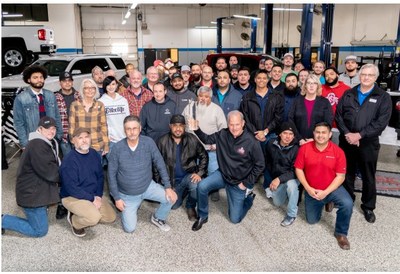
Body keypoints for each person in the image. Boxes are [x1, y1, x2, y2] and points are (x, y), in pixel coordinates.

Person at [336, 64, 392, 224]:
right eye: (363, 74)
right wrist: (347, 133)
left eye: (370, 75)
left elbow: (381, 122)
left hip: (368, 143)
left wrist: (360, 135)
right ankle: (347, 200)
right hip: (346, 141)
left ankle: (368, 207)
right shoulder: (348, 93)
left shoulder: (382, 97)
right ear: (360, 76)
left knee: (368, 176)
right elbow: (339, 115)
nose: (366, 77)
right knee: (347, 173)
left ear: (375, 77)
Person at [190, 110, 265, 230]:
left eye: (237, 124)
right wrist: (196, 128)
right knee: (202, 186)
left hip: (239, 182)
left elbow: (260, 165)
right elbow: (207, 139)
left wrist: (245, 183)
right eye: (231, 124)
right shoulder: (222, 134)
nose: (234, 128)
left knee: (235, 219)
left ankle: (249, 199)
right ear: (227, 124)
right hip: (223, 175)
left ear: (243, 123)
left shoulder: (251, 141)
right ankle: (203, 216)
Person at [107, 115, 177, 233]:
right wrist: (117, 198)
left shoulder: (148, 142)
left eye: (135, 128)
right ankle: (135, 204)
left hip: (147, 186)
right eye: (128, 129)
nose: (132, 132)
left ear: (140, 129)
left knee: (172, 198)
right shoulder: (117, 148)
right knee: (130, 229)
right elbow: (110, 175)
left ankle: (158, 217)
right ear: (124, 131)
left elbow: (160, 163)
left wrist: (168, 187)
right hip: (127, 194)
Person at [294, 122, 352, 250]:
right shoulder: (304, 149)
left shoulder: (338, 152)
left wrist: (325, 192)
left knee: (347, 203)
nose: (320, 135)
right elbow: (298, 169)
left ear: (330, 134)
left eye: (324, 132)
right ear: (313, 134)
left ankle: (341, 234)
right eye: (318, 132)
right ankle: (325, 202)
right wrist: (308, 189)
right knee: (311, 221)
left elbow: (340, 176)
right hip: (312, 190)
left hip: (331, 188)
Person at [1, 116, 60, 237]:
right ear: (40, 129)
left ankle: (43, 207)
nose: (51, 131)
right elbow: (50, 173)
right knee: (39, 231)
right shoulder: (38, 145)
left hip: (35, 186)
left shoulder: (42, 141)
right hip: (31, 194)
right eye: (47, 128)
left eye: (53, 128)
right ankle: (3, 220)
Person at [60, 127, 116, 237]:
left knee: (110, 217)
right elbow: (71, 188)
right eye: (80, 138)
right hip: (72, 196)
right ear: (73, 141)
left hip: (92, 193)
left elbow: (100, 177)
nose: (84, 140)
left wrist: (98, 196)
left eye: (86, 137)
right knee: (94, 218)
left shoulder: (94, 154)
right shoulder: (69, 160)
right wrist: (91, 199)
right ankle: (74, 221)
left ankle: (86, 212)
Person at [157, 115, 208, 221]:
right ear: (170, 126)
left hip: (188, 177)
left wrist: (199, 173)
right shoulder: (162, 141)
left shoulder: (192, 139)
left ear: (184, 127)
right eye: (175, 126)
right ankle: (182, 192)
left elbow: (204, 155)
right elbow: (155, 165)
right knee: (174, 206)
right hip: (171, 182)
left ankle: (190, 205)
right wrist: (165, 186)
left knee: (195, 184)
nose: (178, 129)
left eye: (181, 126)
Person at [182, 86, 227, 202]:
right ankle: (195, 191)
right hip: (193, 149)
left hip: (210, 148)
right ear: (197, 96)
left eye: (206, 97)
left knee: (213, 170)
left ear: (210, 98)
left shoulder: (217, 110)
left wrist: (217, 145)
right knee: (195, 171)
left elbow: (224, 130)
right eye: (201, 96)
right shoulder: (190, 107)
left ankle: (214, 190)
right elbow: (182, 123)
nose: (203, 99)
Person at [13, 65, 62, 149]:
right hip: (33, 140)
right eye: (35, 77)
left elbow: (57, 116)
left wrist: (59, 135)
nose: (39, 80)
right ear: (29, 80)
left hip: (51, 138)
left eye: (41, 77)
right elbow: (18, 123)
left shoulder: (50, 95)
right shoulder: (21, 98)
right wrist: (25, 143)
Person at [54, 71, 80, 220]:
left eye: (69, 80)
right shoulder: (55, 97)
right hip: (63, 139)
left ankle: (77, 201)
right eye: (64, 81)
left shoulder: (78, 96)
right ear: (60, 83)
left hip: (78, 139)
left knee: (78, 170)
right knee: (65, 170)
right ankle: (62, 203)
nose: (67, 83)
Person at [265, 121, 300, 227]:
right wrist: (267, 183)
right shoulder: (271, 144)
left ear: (294, 136)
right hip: (278, 178)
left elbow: (295, 172)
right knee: (277, 203)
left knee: (291, 186)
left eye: (291, 134)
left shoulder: (297, 149)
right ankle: (286, 193)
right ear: (279, 134)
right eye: (285, 133)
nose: (288, 137)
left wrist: (279, 179)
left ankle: (291, 214)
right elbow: (267, 163)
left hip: (293, 177)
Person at [240, 69, 284, 144]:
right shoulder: (247, 97)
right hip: (252, 135)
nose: (261, 80)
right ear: (255, 80)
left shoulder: (276, 96)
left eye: (264, 78)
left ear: (268, 80)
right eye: (259, 78)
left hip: (271, 135)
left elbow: (278, 117)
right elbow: (245, 117)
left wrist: (266, 131)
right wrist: (255, 132)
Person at [69, 78, 109, 158]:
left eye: (92, 88)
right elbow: (72, 127)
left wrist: (106, 145)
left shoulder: (100, 105)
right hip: (81, 146)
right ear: (82, 90)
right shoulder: (75, 105)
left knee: (96, 170)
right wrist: (75, 143)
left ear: (96, 89)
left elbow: (104, 127)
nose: (90, 90)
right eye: (87, 88)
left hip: (97, 146)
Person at [289, 74, 333, 146]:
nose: (311, 85)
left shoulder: (325, 102)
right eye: (309, 83)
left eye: (314, 83)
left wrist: (315, 139)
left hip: (318, 142)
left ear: (318, 86)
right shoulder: (296, 101)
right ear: (305, 85)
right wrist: (299, 139)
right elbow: (290, 120)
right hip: (298, 142)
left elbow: (328, 123)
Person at [98, 76, 130, 155]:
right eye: (108, 85)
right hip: (111, 140)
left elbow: (127, 119)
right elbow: (99, 122)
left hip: (124, 138)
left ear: (116, 85)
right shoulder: (101, 102)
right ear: (105, 86)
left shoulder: (123, 100)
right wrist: (106, 136)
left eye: (113, 84)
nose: (111, 87)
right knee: (113, 164)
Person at [322, 67, 350, 143]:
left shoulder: (347, 90)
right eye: (326, 75)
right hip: (323, 126)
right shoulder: (320, 88)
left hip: (339, 128)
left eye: (331, 74)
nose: (329, 77)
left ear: (337, 75)